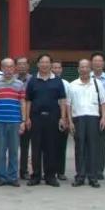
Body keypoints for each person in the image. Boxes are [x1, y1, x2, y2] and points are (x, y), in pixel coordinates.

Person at [25, 54, 68, 187]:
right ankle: (36, 175)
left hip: (53, 117)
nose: (44, 65)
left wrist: (63, 117)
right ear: (37, 64)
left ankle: (50, 176)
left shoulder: (57, 81)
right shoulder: (32, 80)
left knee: (51, 147)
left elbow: (62, 100)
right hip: (36, 118)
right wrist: (26, 118)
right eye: (41, 62)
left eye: (47, 62)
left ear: (50, 64)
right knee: (36, 147)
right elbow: (28, 101)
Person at [67, 59, 105, 188]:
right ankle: (80, 176)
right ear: (78, 69)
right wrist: (70, 121)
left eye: (86, 67)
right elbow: (68, 105)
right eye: (82, 67)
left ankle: (93, 177)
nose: (84, 69)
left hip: (93, 118)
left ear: (90, 69)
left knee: (93, 147)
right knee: (79, 148)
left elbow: (104, 102)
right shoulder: (72, 85)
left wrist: (104, 118)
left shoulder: (97, 84)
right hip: (78, 119)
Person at [0, 58, 26, 187]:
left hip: (15, 122)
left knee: (14, 151)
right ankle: (1, 177)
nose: (8, 69)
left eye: (11, 67)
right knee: (0, 151)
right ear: (2, 68)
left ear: (14, 68)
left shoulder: (19, 84)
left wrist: (23, 120)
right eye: (6, 67)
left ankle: (12, 177)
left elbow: (22, 103)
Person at [90, 52, 105, 180]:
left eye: (100, 61)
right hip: (88, 113)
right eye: (95, 61)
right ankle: (89, 168)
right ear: (91, 63)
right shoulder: (86, 77)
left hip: (103, 113)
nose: (97, 63)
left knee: (100, 142)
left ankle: (99, 170)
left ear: (104, 64)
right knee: (88, 141)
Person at [51, 60, 71, 181]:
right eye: (54, 68)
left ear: (61, 69)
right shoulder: (48, 82)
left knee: (61, 145)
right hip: (51, 114)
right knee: (49, 145)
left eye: (58, 68)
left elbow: (69, 102)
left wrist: (67, 119)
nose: (56, 70)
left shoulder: (66, 84)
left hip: (63, 114)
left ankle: (61, 171)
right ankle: (50, 171)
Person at [15, 56, 33, 180]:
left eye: (24, 64)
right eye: (19, 64)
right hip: (13, 115)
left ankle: (24, 170)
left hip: (30, 117)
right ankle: (11, 171)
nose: (21, 66)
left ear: (28, 66)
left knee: (25, 146)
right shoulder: (11, 79)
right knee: (11, 146)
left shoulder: (33, 80)